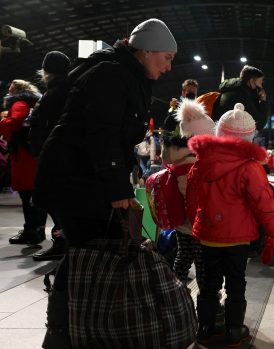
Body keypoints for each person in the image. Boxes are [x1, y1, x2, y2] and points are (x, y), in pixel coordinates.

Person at [32, 19, 185, 347]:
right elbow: (101, 134)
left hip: (85, 178)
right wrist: (118, 189)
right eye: (167, 57)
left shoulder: (129, 75)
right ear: (145, 51)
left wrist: (126, 176)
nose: (170, 66)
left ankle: (76, 328)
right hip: (73, 180)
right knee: (90, 251)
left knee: (88, 252)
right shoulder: (112, 75)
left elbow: (115, 137)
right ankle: (67, 332)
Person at [186, 102, 274, 347]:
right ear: (249, 138)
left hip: (208, 234)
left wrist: (197, 222)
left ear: (220, 133)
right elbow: (264, 203)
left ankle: (206, 327)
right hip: (238, 238)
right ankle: (233, 330)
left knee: (208, 282)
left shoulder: (201, 162)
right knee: (236, 282)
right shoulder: (250, 168)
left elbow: (192, 198)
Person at [163, 98, 216, 286]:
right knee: (202, 262)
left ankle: (176, 290)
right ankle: (207, 299)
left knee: (183, 256)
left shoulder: (178, 157)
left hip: (180, 222)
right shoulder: (192, 164)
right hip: (196, 222)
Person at [29, 51, 71, 261]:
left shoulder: (54, 93)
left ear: (46, 72)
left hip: (53, 157)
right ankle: (63, 243)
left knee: (54, 203)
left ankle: (62, 244)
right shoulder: (69, 89)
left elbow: (43, 126)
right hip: (62, 156)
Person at [0, 79, 44, 245]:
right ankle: (36, 230)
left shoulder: (18, 103)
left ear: (17, 89)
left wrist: (2, 123)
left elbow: (15, 121)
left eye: (10, 86)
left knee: (27, 195)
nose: (8, 88)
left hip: (23, 157)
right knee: (33, 195)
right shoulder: (31, 102)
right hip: (30, 154)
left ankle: (30, 231)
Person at [212, 65, 269, 130]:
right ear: (251, 80)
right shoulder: (243, 96)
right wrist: (264, 101)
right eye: (260, 81)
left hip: (219, 133)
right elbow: (259, 124)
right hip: (234, 136)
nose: (261, 84)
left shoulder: (228, 90)